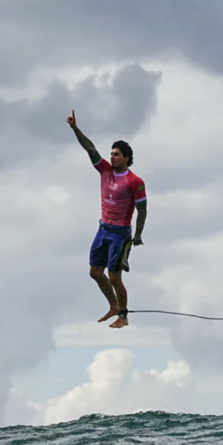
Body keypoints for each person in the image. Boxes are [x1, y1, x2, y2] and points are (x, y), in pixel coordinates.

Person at [66, 109, 147, 329]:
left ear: (127, 159)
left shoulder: (134, 181)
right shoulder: (104, 171)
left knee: (114, 276)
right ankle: (113, 305)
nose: (112, 157)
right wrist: (75, 128)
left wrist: (138, 235)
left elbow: (142, 209)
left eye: (117, 154)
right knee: (95, 272)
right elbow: (89, 148)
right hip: (103, 229)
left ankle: (123, 315)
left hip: (120, 234)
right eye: (111, 153)